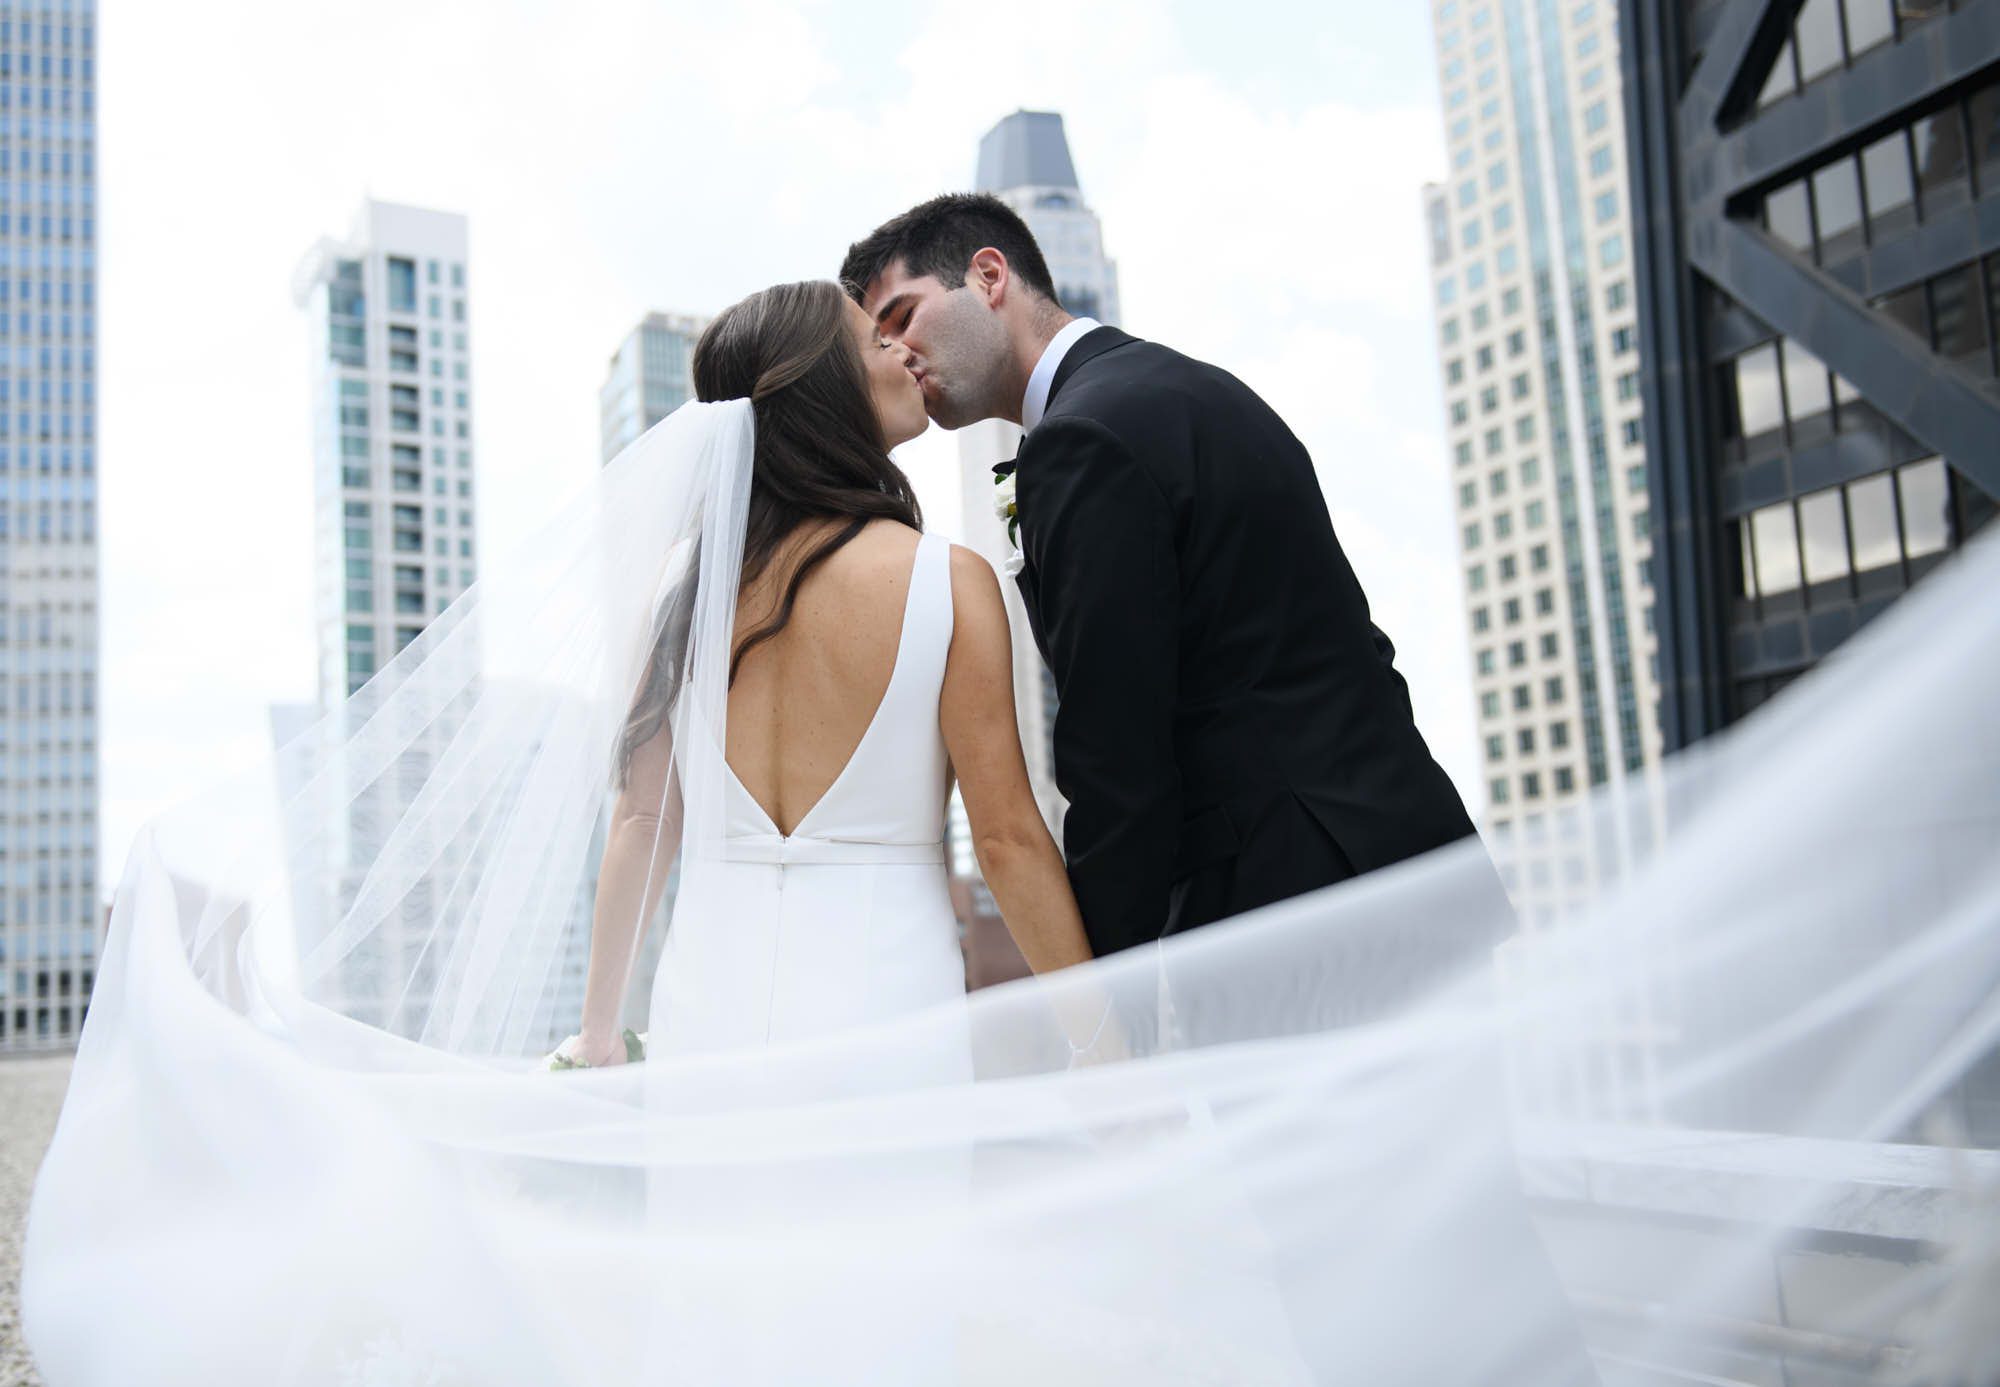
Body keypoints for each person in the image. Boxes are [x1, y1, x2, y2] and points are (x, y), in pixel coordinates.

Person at [842, 194, 1484, 962]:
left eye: (902, 316)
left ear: (988, 276)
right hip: (1416, 866)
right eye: (877, 340)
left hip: (1289, 911)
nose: (897, 353)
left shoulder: (1080, 439)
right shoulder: (1200, 389)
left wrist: (1106, 1005)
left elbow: (1118, 761)